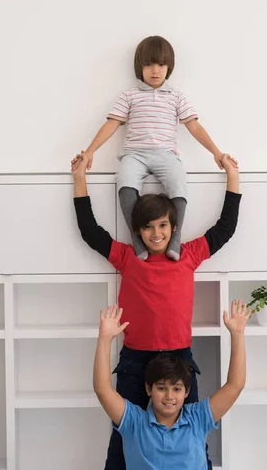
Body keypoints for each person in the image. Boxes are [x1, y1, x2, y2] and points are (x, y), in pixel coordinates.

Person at [72, 151, 241, 470]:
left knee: (192, 436)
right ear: (137, 231)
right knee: (122, 439)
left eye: (162, 225)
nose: (156, 233)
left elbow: (225, 228)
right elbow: (90, 231)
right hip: (135, 360)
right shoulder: (127, 258)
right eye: (147, 227)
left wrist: (232, 176)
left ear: (173, 226)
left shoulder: (189, 255)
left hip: (180, 359)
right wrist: (79, 179)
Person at [71, 35, 237, 261]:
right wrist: (90, 151)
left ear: (169, 67)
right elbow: (111, 124)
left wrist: (216, 153)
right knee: (125, 183)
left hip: (165, 154)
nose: (155, 70)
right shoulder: (129, 96)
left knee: (179, 182)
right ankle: (137, 237)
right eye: (148, 65)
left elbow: (194, 127)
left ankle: (175, 237)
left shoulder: (176, 97)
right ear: (140, 67)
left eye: (160, 64)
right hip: (135, 155)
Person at [93, 302, 251, 470]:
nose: (169, 396)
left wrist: (237, 333)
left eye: (176, 389)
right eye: (161, 388)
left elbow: (235, 385)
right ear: (149, 389)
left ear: (186, 391)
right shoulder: (134, 422)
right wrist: (105, 338)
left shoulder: (198, 418)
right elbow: (102, 389)